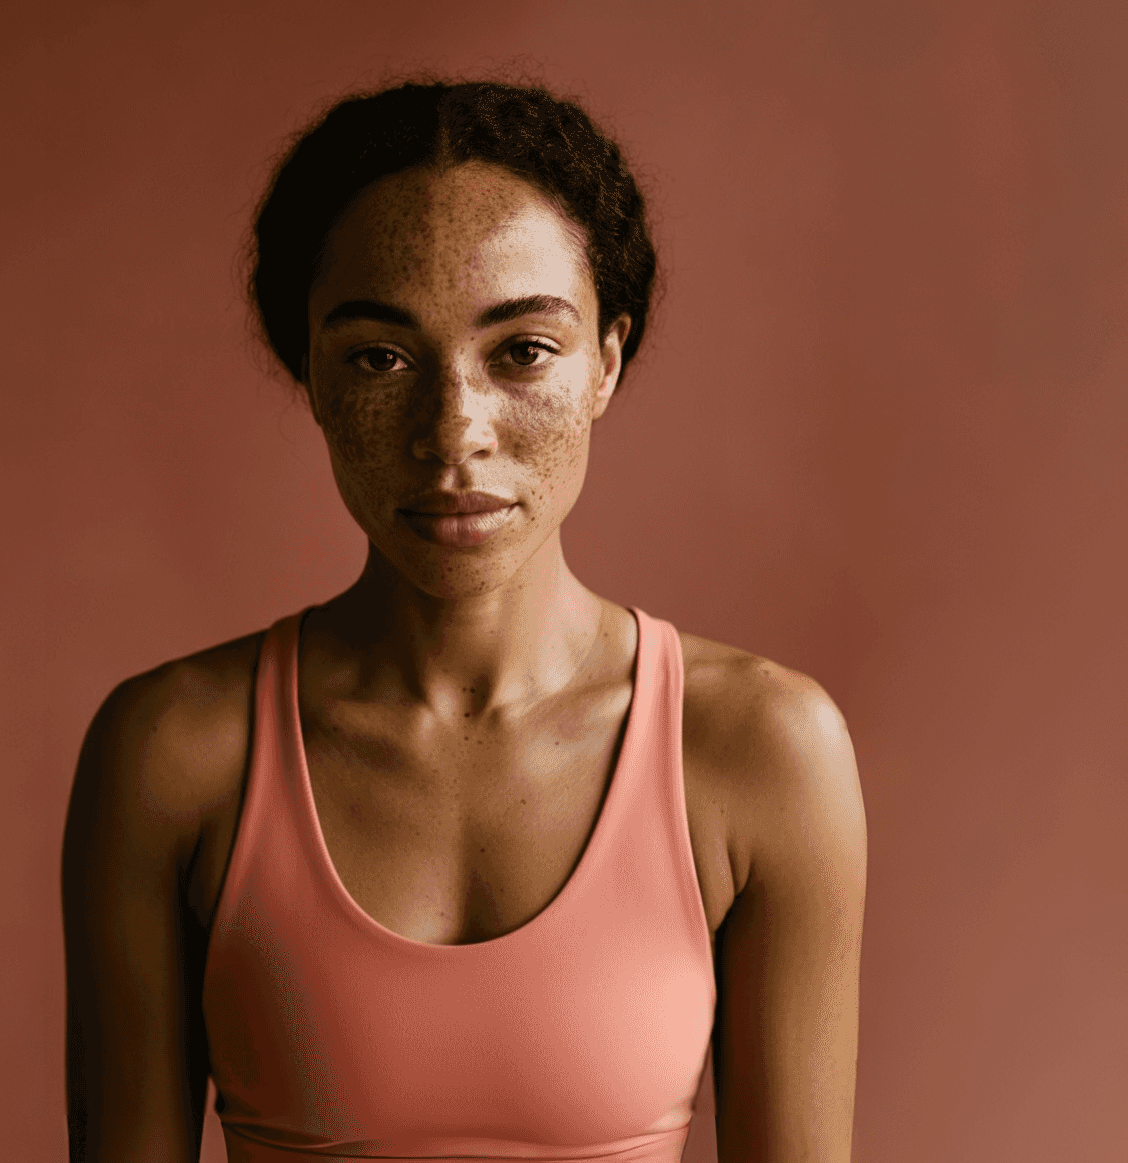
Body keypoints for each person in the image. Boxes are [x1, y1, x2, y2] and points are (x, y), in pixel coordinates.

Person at [62, 80, 866, 1162]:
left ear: (607, 361)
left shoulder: (759, 751)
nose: (453, 432)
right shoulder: (174, 753)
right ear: (309, 370)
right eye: (378, 357)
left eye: (522, 350)